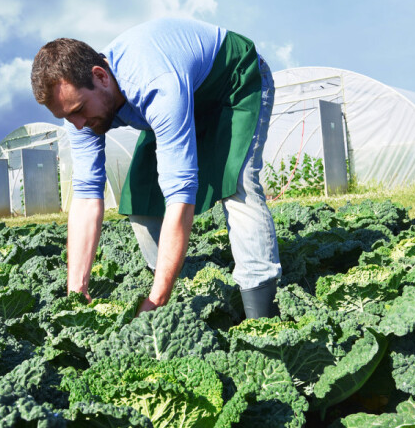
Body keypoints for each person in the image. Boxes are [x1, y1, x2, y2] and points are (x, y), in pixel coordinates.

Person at [30, 18, 281, 319]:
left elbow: (180, 197)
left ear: (100, 76)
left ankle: (261, 311)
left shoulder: (155, 85)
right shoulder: (80, 115)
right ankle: (190, 293)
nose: (79, 124)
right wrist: (76, 292)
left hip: (231, 83)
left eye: (79, 110)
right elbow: (85, 198)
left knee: (238, 185)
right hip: (177, 97)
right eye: (68, 118)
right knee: (142, 197)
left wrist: (156, 300)